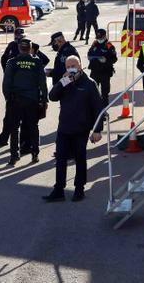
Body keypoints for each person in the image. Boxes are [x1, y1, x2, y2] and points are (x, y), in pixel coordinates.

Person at [43, 56, 104, 202]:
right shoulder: (64, 81)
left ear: (80, 66)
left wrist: (97, 130)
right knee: (61, 159)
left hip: (81, 129)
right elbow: (52, 96)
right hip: (64, 127)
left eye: (74, 65)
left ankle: (79, 189)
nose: (71, 68)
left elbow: (98, 108)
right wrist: (62, 82)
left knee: (80, 159)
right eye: (68, 66)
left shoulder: (89, 83)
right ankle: (58, 190)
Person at [2, 39, 47, 166]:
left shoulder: (12, 62)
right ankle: (35, 154)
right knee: (33, 127)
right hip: (32, 100)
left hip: (15, 100)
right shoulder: (37, 62)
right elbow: (42, 82)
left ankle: (14, 156)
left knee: (14, 128)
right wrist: (44, 99)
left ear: (19, 48)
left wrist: (8, 98)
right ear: (30, 48)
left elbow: (6, 83)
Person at [87, 28, 118, 109]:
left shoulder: (109, 45)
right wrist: (90, 57)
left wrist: (106, 60)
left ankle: (104, 112)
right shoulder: (95, 44)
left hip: (105, 72)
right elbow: (89, 53)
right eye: (98, 38)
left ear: (104, 36)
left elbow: (114, 59)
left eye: (100, 38)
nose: (99, 40)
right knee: (93, 92)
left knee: (104, 93)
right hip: (94, 72)